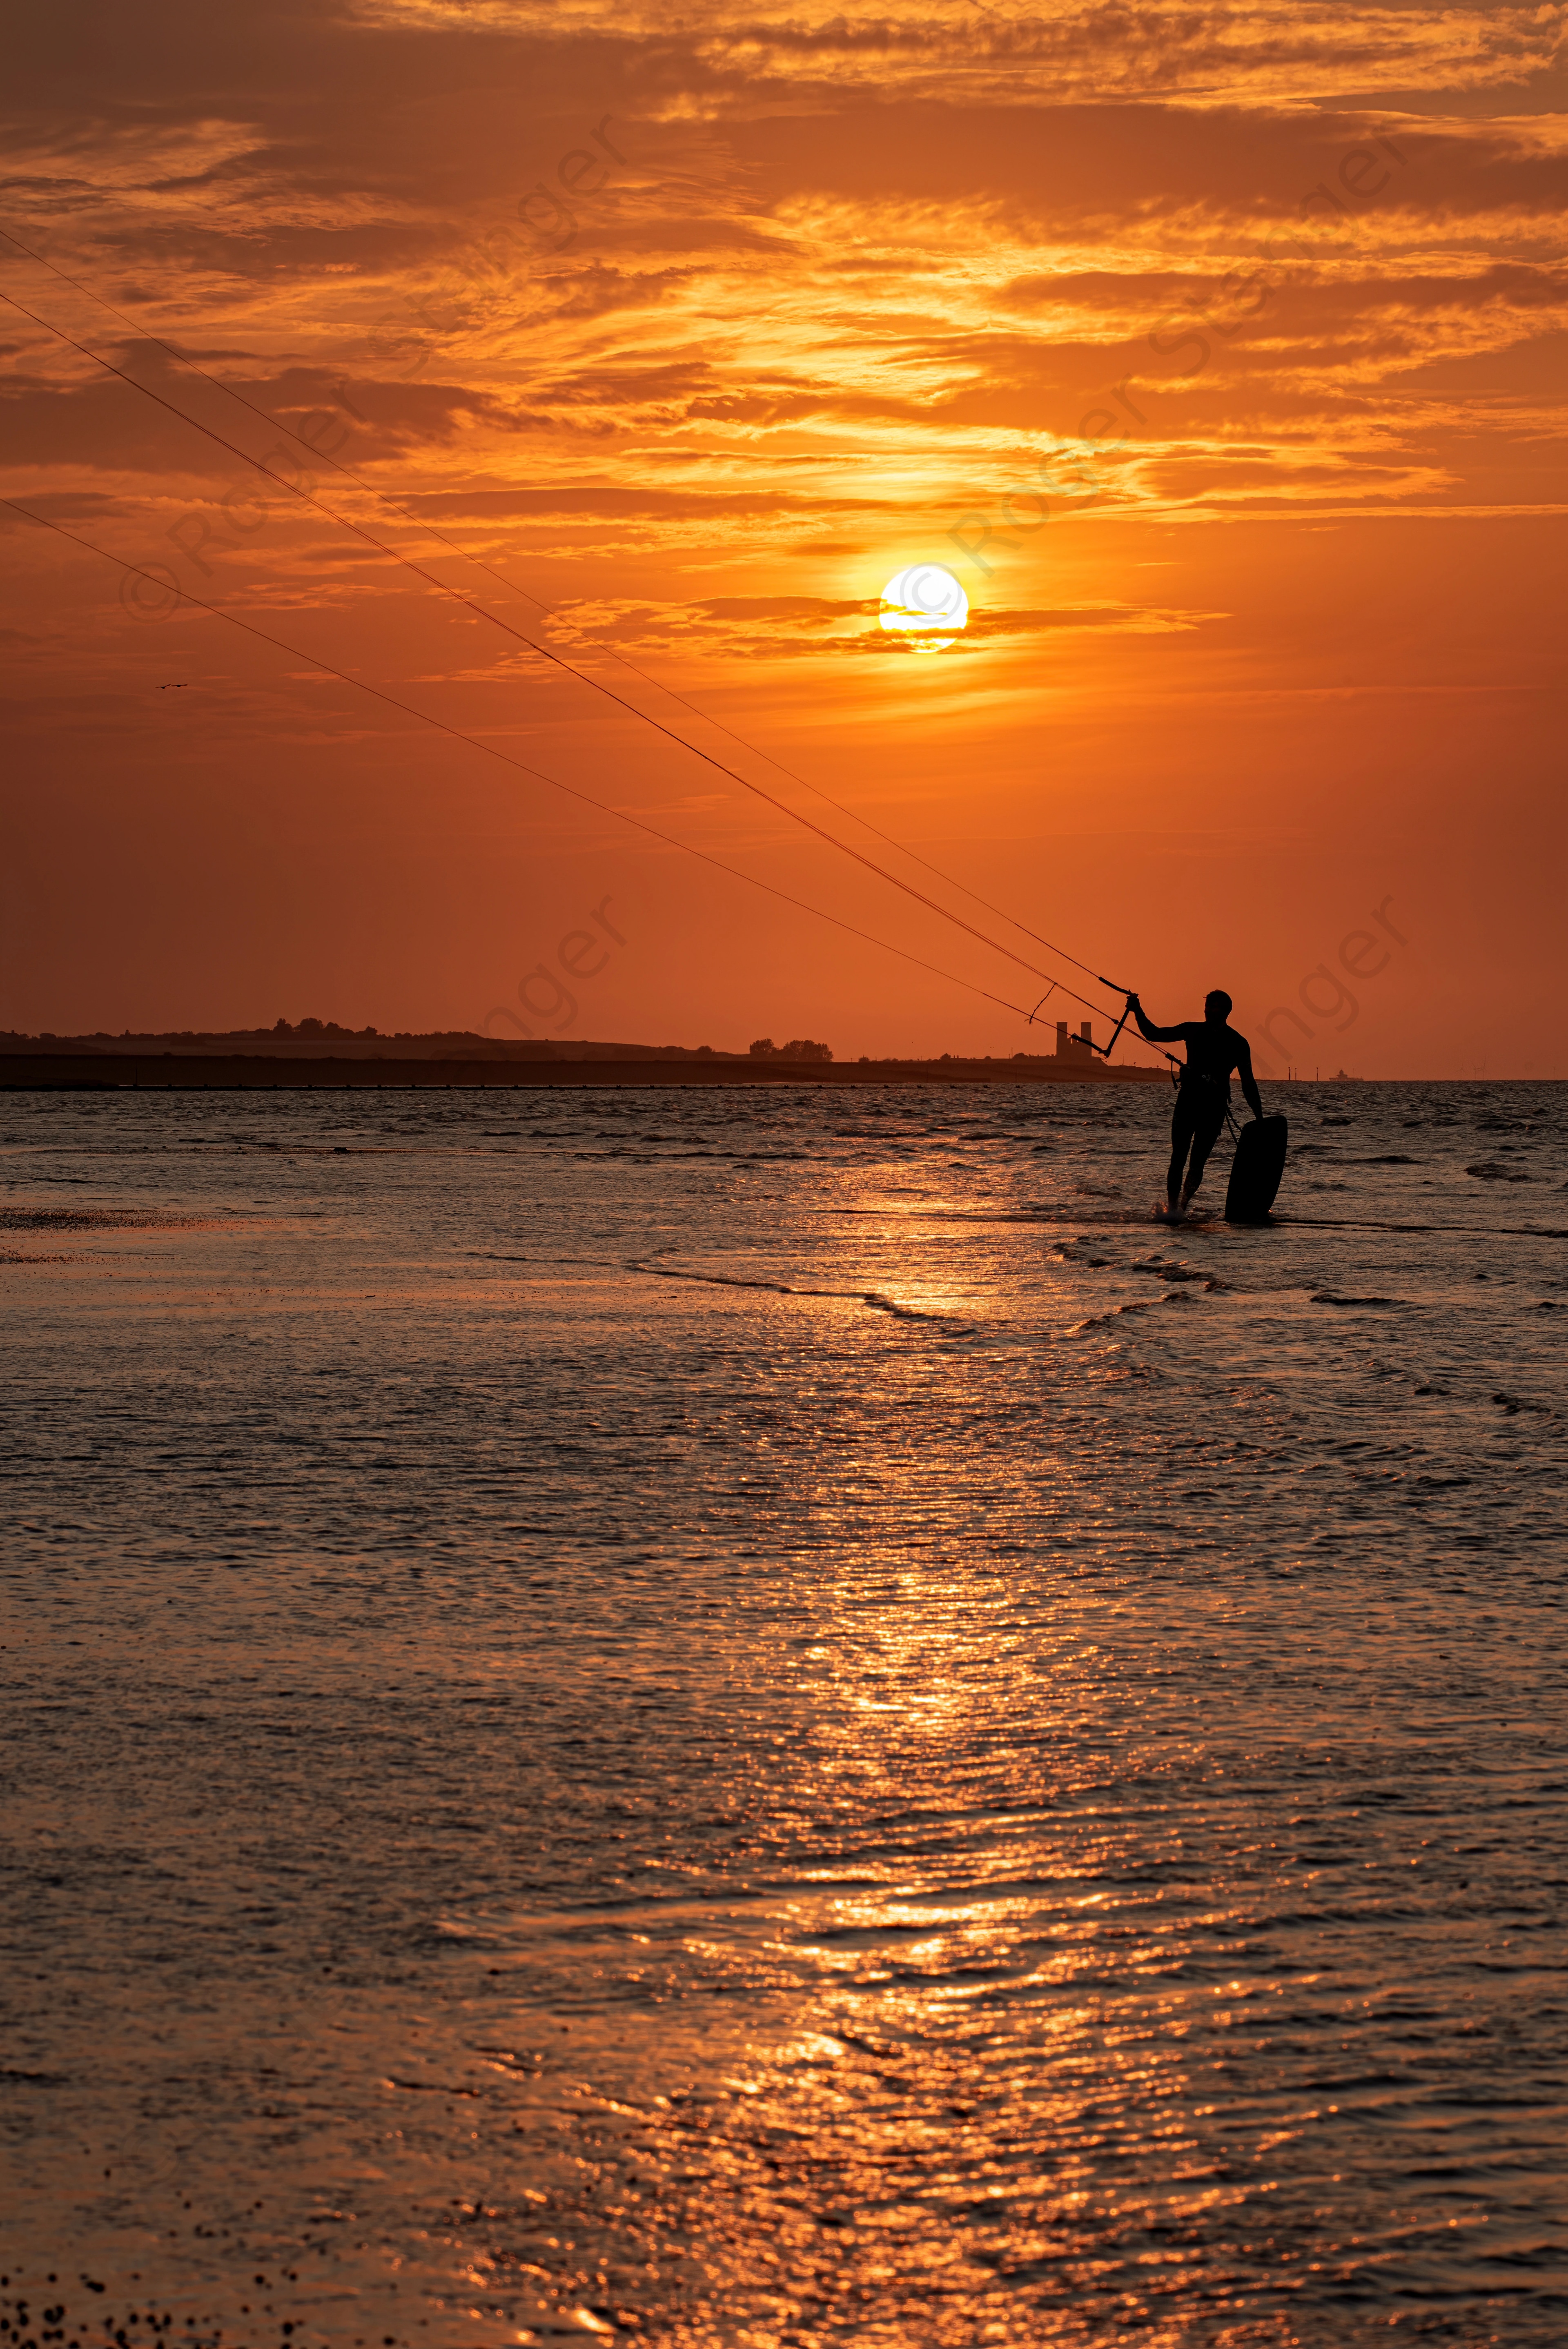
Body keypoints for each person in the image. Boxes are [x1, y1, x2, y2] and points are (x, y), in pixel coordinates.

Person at [1126, 988, 1264, 1217]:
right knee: (1178, 1156)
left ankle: (1183, 1205)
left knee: (1198, 1162)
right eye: (1208, 1006)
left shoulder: (1238, 1043)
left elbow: (1248, 1083)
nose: (1210, 1010)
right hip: (1188, 1102)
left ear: (1227, 1011)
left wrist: (1259, 1117)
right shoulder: (1193, 1029)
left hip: (1214, 1107)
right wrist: (1138, 1010)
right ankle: (1172, 1209)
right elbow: (1154, 1034)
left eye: (1216, 1006)